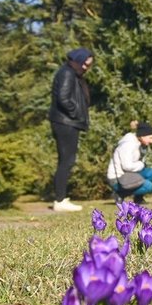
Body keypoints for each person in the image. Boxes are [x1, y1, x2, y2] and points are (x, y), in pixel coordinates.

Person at [49, 47, 94, 212]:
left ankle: (61, 198)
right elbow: (63, 98)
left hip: (67, 122)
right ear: (79, 60)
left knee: (66, 160)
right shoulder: (67, 73)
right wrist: (77, 114)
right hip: (66, 123)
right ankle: (60, 200)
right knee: (66, 161)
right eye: (85, 64)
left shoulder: (71, 73)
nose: (86, 68)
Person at [107, 120, 152, 204]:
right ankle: (120, 193)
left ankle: (138, 199)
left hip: (128, 174)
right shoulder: (128, 145)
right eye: (150, 138)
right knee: (149, 186)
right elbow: (127, 166)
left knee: (151, 172)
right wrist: (141, 164)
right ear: (142, 136)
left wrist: (141, 165)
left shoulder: (141, 145)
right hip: (117, 179)